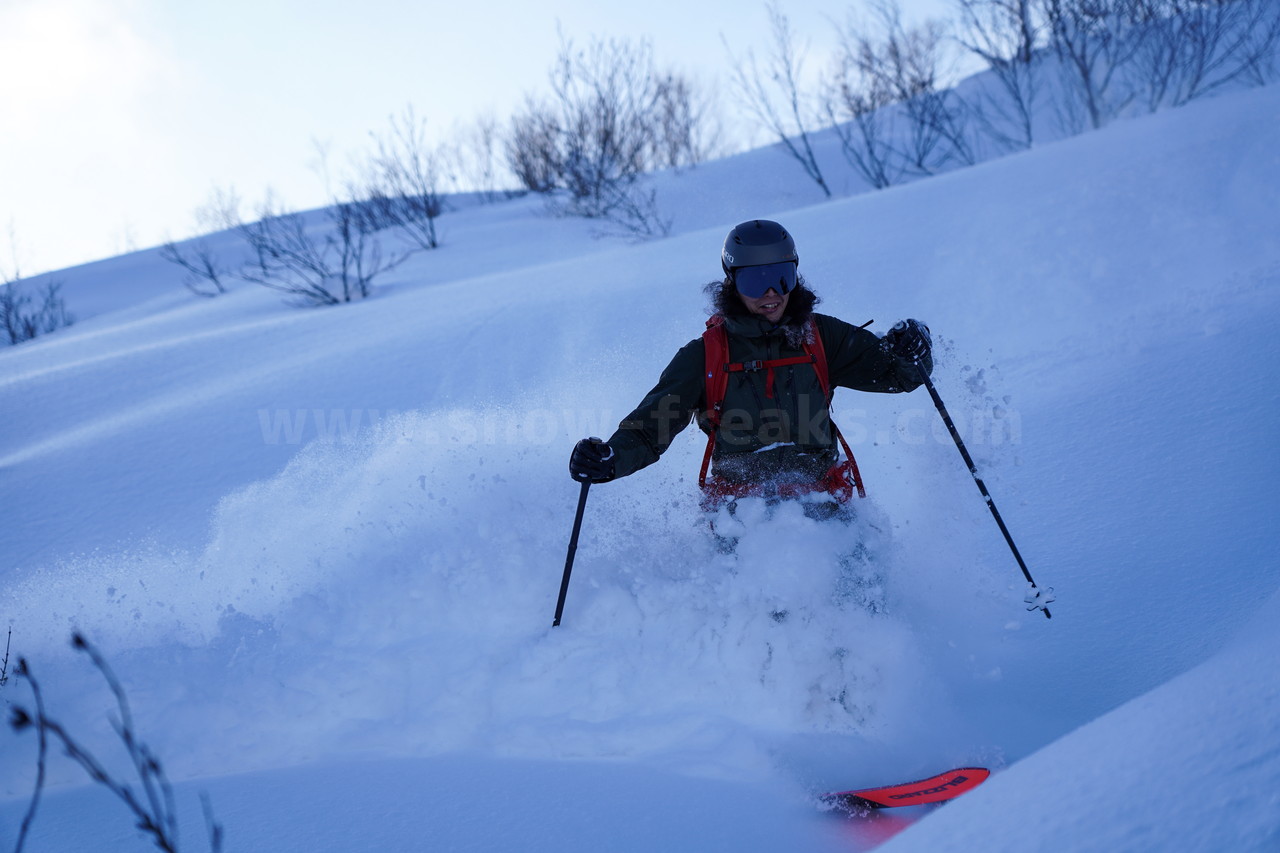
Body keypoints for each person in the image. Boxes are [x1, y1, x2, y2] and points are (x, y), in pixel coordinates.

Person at [569, 219, 932, 517]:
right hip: (743, 518)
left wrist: (910, 349)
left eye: (782, 277)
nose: (771, 292)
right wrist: (611, 458)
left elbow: (897, 374)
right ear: (732, 281)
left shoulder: (820, 337)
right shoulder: (706, 355)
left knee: (858, 599)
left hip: (824, 504)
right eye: (755, 281)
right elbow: (650, 429)